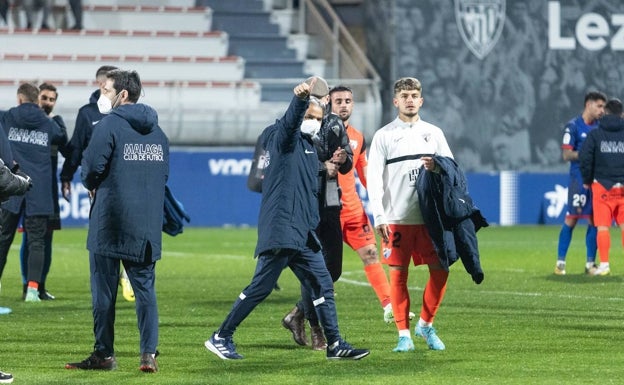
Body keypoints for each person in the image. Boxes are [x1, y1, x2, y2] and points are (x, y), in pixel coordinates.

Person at [204, 78, 369, 361]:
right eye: (309, 116)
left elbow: (312, 181)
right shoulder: (284, 138)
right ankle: (221, 337)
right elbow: (291, 122)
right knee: (261, 288)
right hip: (282, 228)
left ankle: (335, 344)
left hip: (303, 233)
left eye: (318, 118)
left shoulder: (308, 149)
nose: (313, 122)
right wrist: (301, 99)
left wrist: (330, 166)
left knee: (323, 283)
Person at [65, 69, 169, 372]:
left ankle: (104, 354)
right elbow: (164, 175)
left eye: (106, 90)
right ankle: (148, 353)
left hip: (109, 219)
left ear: (123, 95)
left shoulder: (109, 125)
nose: (102, 95)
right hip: (146, 223)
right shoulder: (158, 132)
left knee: (104, 292)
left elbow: (91, 169)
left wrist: (94, 183)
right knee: (145, 290)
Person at [367, 77, 452, 352]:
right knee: (398, 276)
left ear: (421, 100)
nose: (410, 100)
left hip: (430, 219)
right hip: (397, 218)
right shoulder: (384, 135)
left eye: (414, 95)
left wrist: (437, 167)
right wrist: (379, 216)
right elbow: (374, 179)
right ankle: (403, 334)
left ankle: (425, 325)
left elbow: (451, 168)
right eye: (404, 95)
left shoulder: (434, 133)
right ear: (395, 101)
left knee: (441, 272)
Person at [281, 81, 354, 351]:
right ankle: (316, 331)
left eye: (324, 98)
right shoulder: (295, 120)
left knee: (333, 268)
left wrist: (342, 157)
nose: (322, 103)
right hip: (304, 201)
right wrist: (322, 167)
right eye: (317, 97)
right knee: (313, 269)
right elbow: (289, 159)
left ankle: (297, 314)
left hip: (330, 200)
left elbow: (347, 163)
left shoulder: (334, 124)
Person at [59, 65, 135, 302]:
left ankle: (126, 274)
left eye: (109, 85)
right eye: (104, 84)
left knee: (127, 229)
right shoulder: (88, 113)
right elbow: (77, 148)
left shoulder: (128, 113)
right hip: (100, 187)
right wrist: (66, 176)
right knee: (105, 233)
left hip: (126, 183)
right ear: (99, 84)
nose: (105, 87)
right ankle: (111, 281)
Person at [328, 85, 393, 322]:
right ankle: (302, 315)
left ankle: (389, 306)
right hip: (327, 213)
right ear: (329, 103)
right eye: (339, 101)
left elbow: (366, 176)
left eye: (348, 100)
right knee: (326, 272)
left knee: (370, 253)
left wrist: (384, 199)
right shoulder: (318, 134)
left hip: (353, 211)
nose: (344, 104)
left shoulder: (357, 137)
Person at [0, 83, 66, 302]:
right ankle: (32, 290)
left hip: (12, 186)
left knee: (3, 239)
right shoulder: (47, 123)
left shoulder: (7, 117)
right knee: (37, 241)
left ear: (19, 99)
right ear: (37, 99)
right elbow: (60, 136)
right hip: (38, 188)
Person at [19, 82, 68, 300]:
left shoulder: (55, 124)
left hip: (49, 188)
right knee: (29, 238)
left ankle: (40, 285)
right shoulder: (27, 122)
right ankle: (26, 284)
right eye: (44, 98)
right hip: (28, 185)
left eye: (51, 99)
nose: (47, 102)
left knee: (46, 238)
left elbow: (65, 144)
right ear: (36, 99)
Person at [554, 91, 606, 275]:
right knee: (572, 219)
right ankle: (560, 264)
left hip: (597, 181)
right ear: (588, 105)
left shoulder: (601, 128)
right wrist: (587, 156)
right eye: (599, 106)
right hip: (578, 179)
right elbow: (567, 154)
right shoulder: (573, 126)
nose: (602, 110)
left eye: (603, 107)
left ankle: (590, 264)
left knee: (595, 220)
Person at [579, 98, 624, 276]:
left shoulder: (595, 135)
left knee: (603, 227)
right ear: (621, 114)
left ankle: (604, 265)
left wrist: (587, 179)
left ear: (605, 113)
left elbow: (585, 158)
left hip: (602, 186)